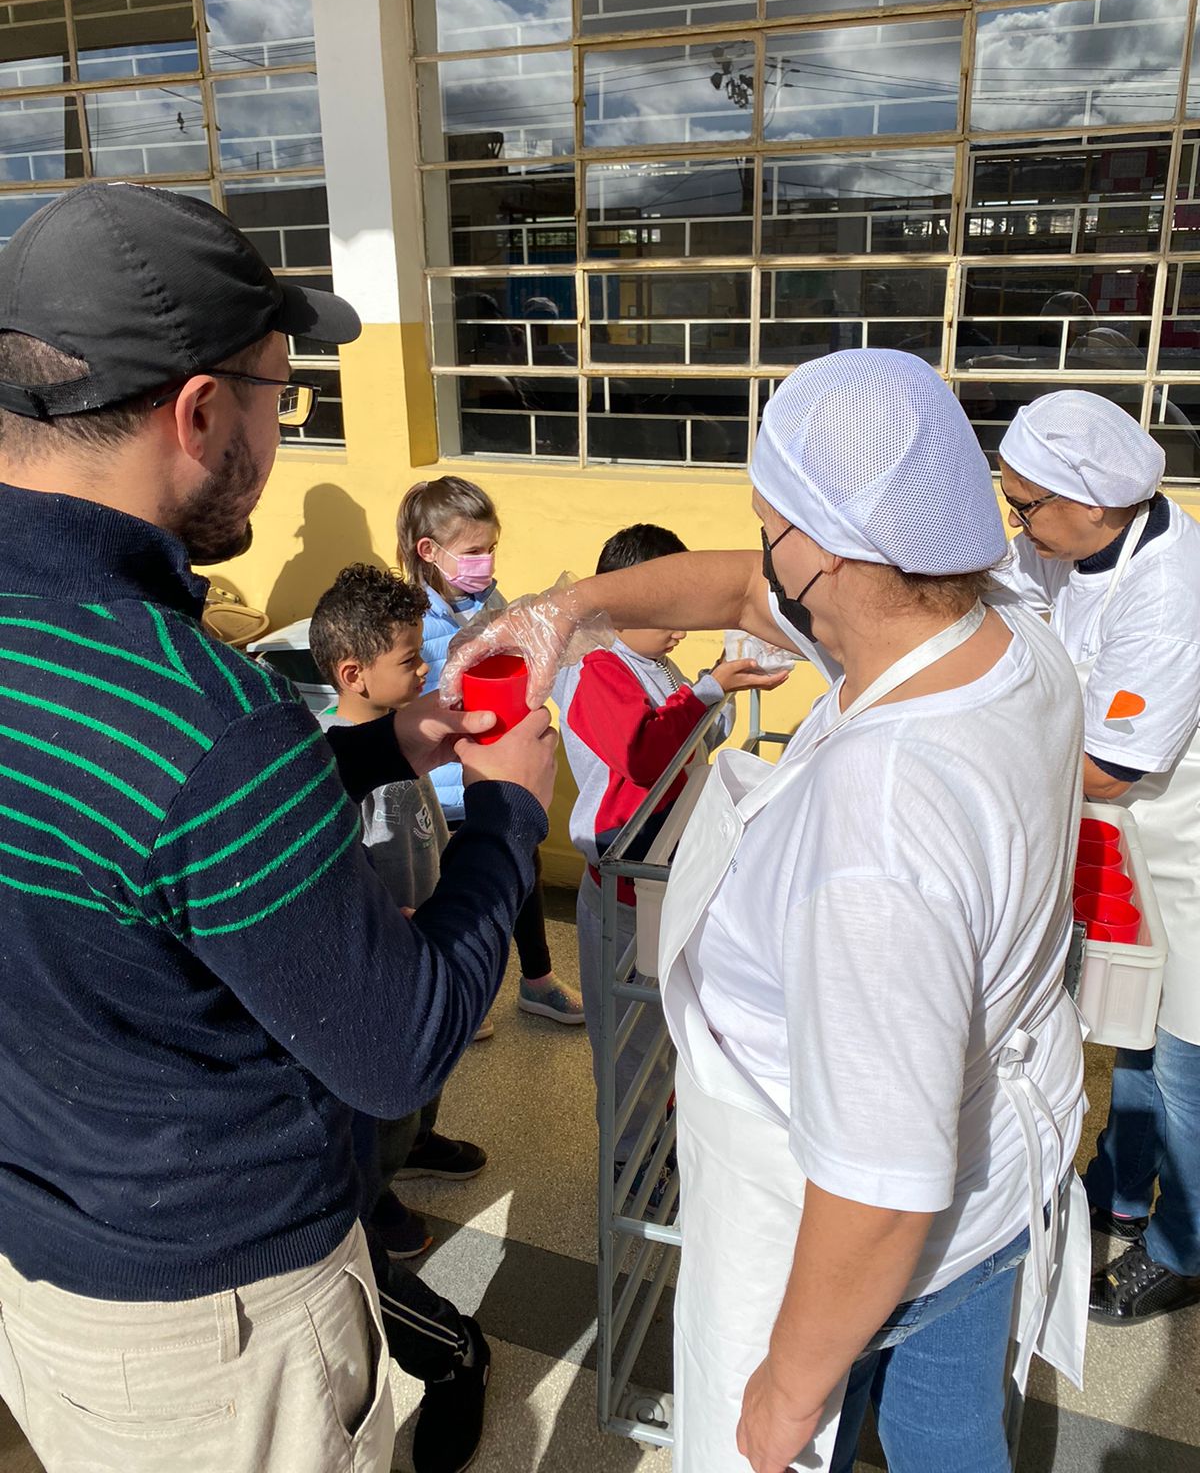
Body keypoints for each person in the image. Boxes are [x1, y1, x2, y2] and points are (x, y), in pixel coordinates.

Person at [444, 349, 1092, 1473]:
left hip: (838, 1238)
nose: (762, 555)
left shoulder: (884, 822)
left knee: (853, 1438)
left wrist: (781, 1402)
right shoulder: (1001, 632)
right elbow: (746, 588)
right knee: (955, 1436)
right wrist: (569, 607)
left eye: (770, 521)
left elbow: (878, 1194)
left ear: (831, 549)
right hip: (993, 1187)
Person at [0, 183, 557, 1473]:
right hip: (222, 1328)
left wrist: (362, 749)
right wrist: (514, 812)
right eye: (278, 394)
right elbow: (397, 1048)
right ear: (201, 411)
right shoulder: (203, 714)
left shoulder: (153, 707)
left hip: (52, 1265)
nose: (279, 430)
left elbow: (118, 846)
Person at [997, 390, 1200, 1325]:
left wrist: (975, 752)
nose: (1017, 522)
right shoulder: (1066, 542)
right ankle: (1116, 1190)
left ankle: (1182, 1247)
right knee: (1134, 1034)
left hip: (1187, 855)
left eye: (1029, 505)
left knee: (1188, 1066)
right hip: (1129, 854)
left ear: (1099, 504)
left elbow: (1111, 772)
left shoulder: (1169, 589)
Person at [554, 523, 783, 1167]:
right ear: (627, 601)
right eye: (671, 609)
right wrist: (710, 689)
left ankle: (666, 1145)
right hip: (626, 884)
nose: (683, 623)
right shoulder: (594, 666)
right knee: (628, 1038)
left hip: (664, 876)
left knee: (666, 1025)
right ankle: (629, 1160)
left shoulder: (650, 659)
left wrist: (720, 691)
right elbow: (646, 753)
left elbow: (692, 746)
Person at [310, 564, 488, 1258]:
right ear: (354, 674)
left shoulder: (401, 734)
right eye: (408, 659)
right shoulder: (326, 765)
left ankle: (415, 1141)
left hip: (421, 935)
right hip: (379, 951)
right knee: (385, 1081)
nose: (423, 670)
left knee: (431, 1060)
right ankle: (374, 1191)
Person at [398, 475, 585, 1027]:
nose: (486, 561)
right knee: (451, 892)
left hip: (497, 770)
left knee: (524, 872)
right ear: (429, 552)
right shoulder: (411, 617)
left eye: (491, 548)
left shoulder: (492, 601)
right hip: (443, 787)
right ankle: (456, 992)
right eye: (474, 551)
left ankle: (538, 980)